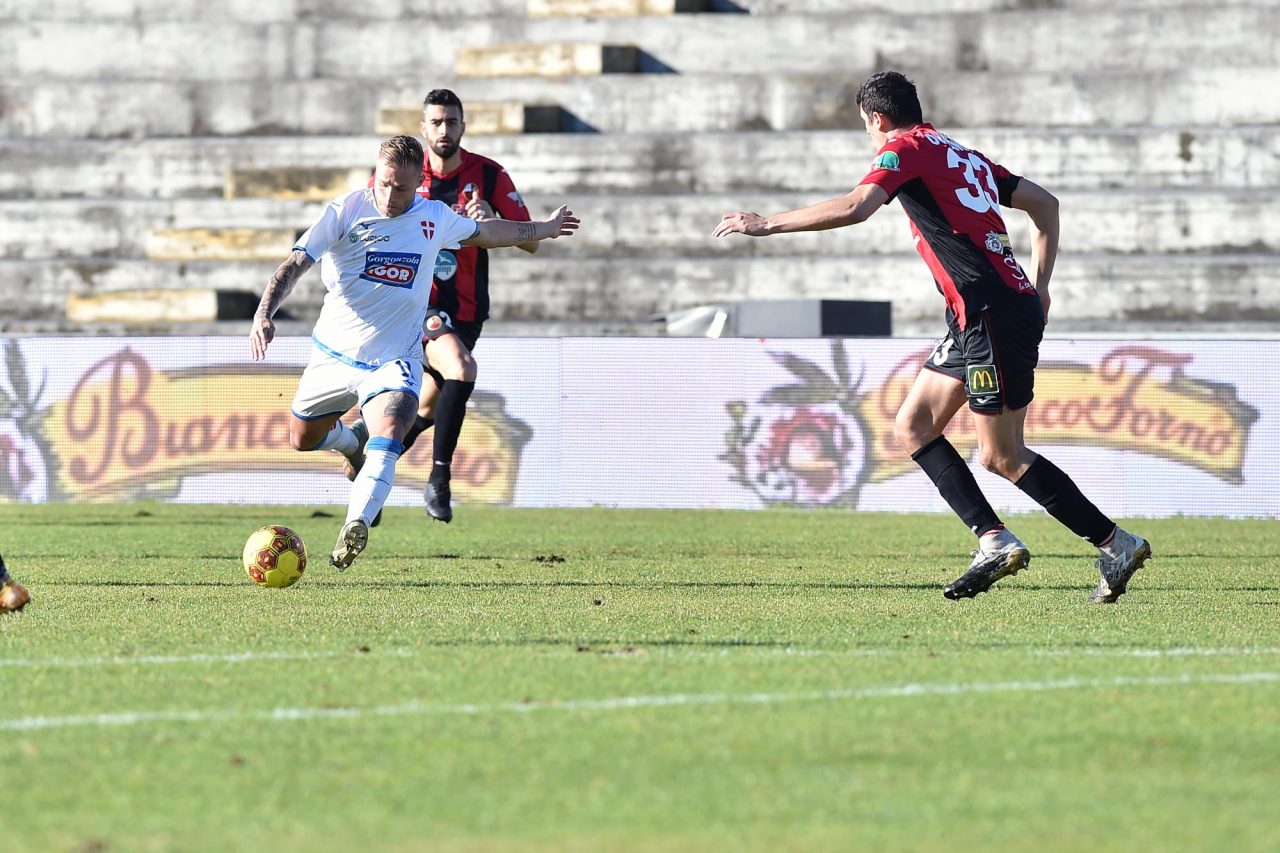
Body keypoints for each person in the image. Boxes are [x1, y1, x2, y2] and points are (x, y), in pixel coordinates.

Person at [713, 71, 1150, 604]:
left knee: (1001, 455)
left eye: (866, 126)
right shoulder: (959, 153)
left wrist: (766, 224)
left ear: (878, 118)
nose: (869, 136)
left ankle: (1115, 543)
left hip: (989, 311)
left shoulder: (905, 149)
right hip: (983, 311)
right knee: (914, 425)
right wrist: (1040, 287)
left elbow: (856, 206)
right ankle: (994, 540)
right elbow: (1046, 204)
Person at [250, 134, 578, 572]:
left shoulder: (432, 216)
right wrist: (264, 312)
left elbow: (487, 233)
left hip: (394, 359)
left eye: (402, 187)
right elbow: (295, 264)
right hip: (333, 355)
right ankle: (350, 443)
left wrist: (543, 228)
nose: (391, 195)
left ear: (416, 182)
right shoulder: (345, 211)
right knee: (302, 438)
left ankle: (356, 523)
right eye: (385, 183)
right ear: (377, 175)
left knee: (392, 430)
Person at [350, 88, 540, 525]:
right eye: (436, 122)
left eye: (451, 122)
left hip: (469, 310)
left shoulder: (488, 175)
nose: (444, 130)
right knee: (461, 367)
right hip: (418, 303)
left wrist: (490, 218)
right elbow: (365, 227)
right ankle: (439, 479)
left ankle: (362, 463)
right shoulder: (402, 176)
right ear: (423, 128)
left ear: (463, 127)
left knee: (426, 411)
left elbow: (531, 243)